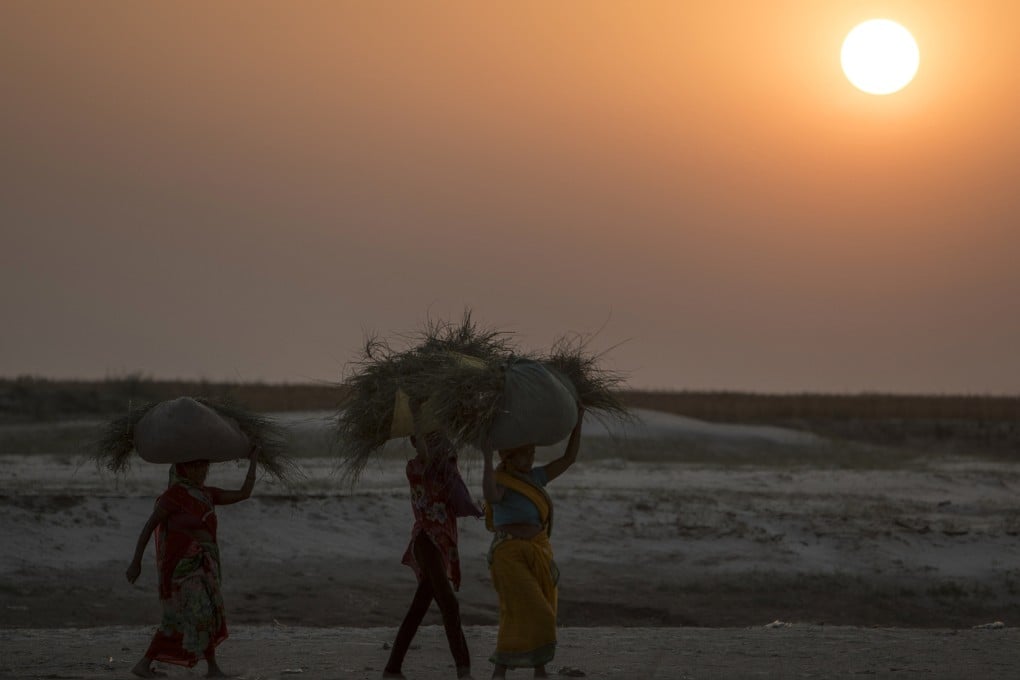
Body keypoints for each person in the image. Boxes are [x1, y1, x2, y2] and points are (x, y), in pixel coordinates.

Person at [125, 444, 260, 678]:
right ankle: (146, 664)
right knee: (192, 613)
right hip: (181, 568)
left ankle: (211, 668)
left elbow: (243, 493)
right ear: (182, 468)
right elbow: (149, 528)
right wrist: (135, 562)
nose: (200, 470)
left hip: (205, 564)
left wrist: (254, 461)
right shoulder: (173, 497)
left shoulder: (208, 494)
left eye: (203, 465)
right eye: (194, 465)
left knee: (204, 613)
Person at [481, 404, 584, 679]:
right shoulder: (502, 479)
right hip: (508, 554)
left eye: (532, 453)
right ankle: (501, 668)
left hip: (537, 550)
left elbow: (569, 458)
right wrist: (486, 458)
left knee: (542, 608)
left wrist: (579, 421)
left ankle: (537, 670)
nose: (529, 458)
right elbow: (491, 496)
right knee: (528, 611)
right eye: (524, 454)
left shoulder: (536, 478)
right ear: (510, 456)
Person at [383, 429, 483, 680]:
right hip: (426, 541)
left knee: (419, 608)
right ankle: (464, 671)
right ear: (414, 442)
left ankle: (392, 669)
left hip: (443, 544)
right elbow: (428, 462)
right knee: (449, 603)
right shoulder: (414, 468)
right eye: (421, 438)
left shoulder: (446, 466)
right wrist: (420, 419)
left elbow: (458, 494)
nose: (426, 443)